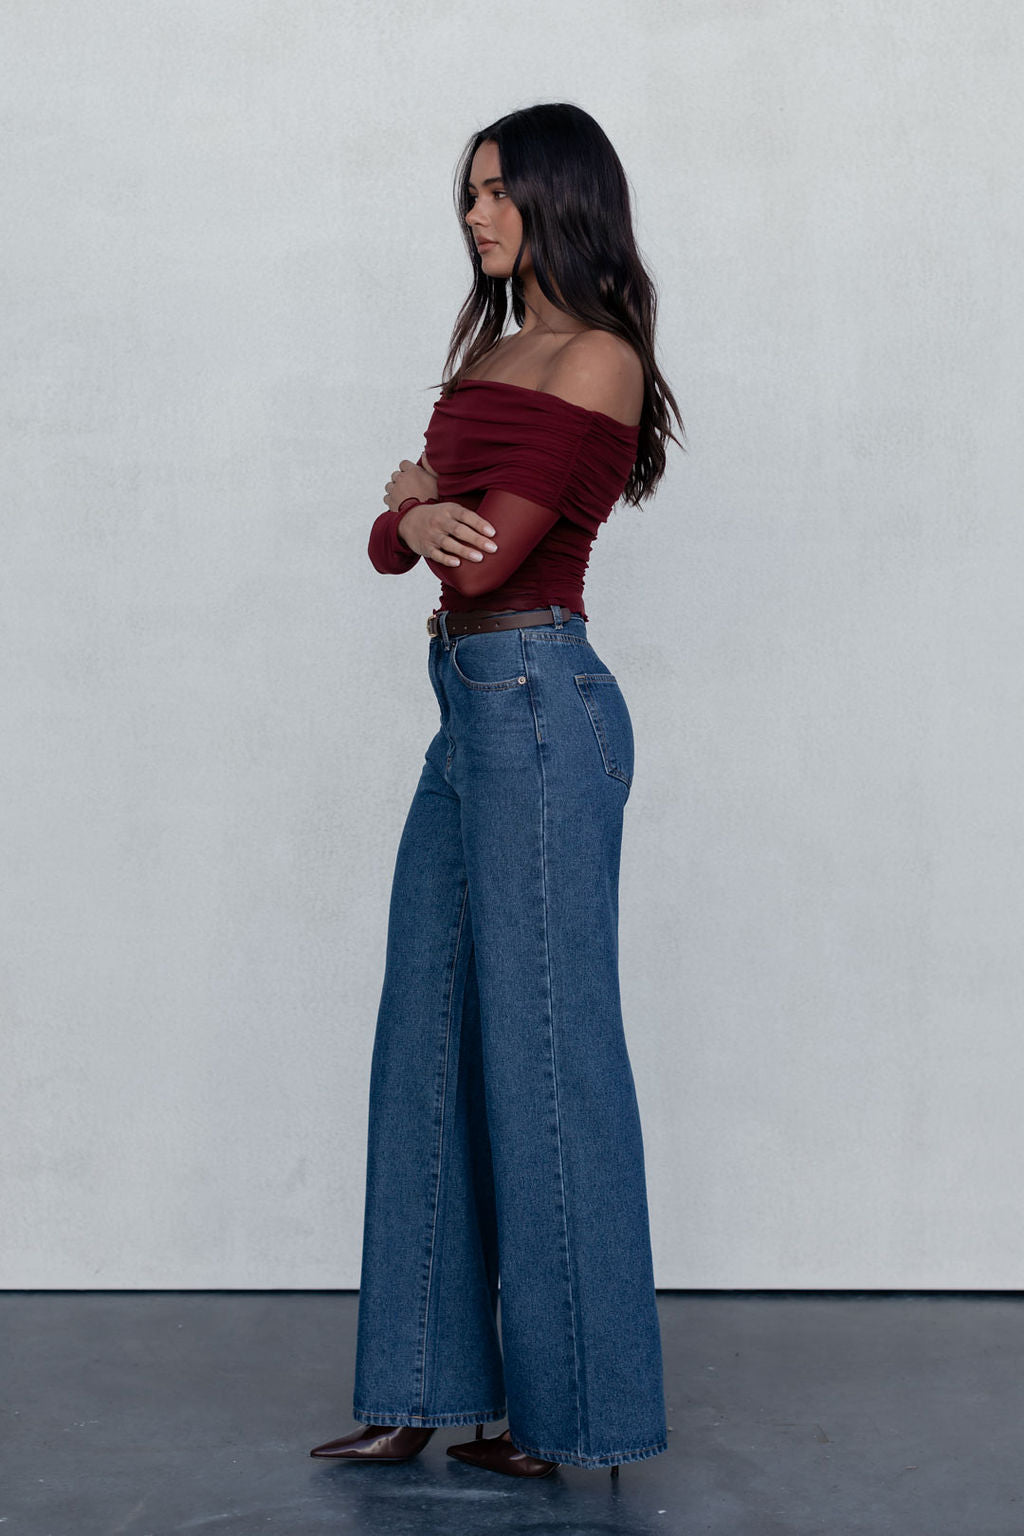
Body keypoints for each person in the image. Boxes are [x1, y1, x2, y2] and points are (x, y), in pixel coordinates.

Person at [310, 102, 684, 1479]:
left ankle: (572, 1415)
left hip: (540, 708)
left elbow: (473, 560)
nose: (476, 217)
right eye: (468, 193)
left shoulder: (597, 357)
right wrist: (409, 515)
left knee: (546, 1061)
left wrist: (419, 513)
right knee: (424, 1036)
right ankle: (416, 1385)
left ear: (562, 200)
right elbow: (394, 539)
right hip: (466, 718)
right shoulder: (491, 349)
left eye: (500, 194)